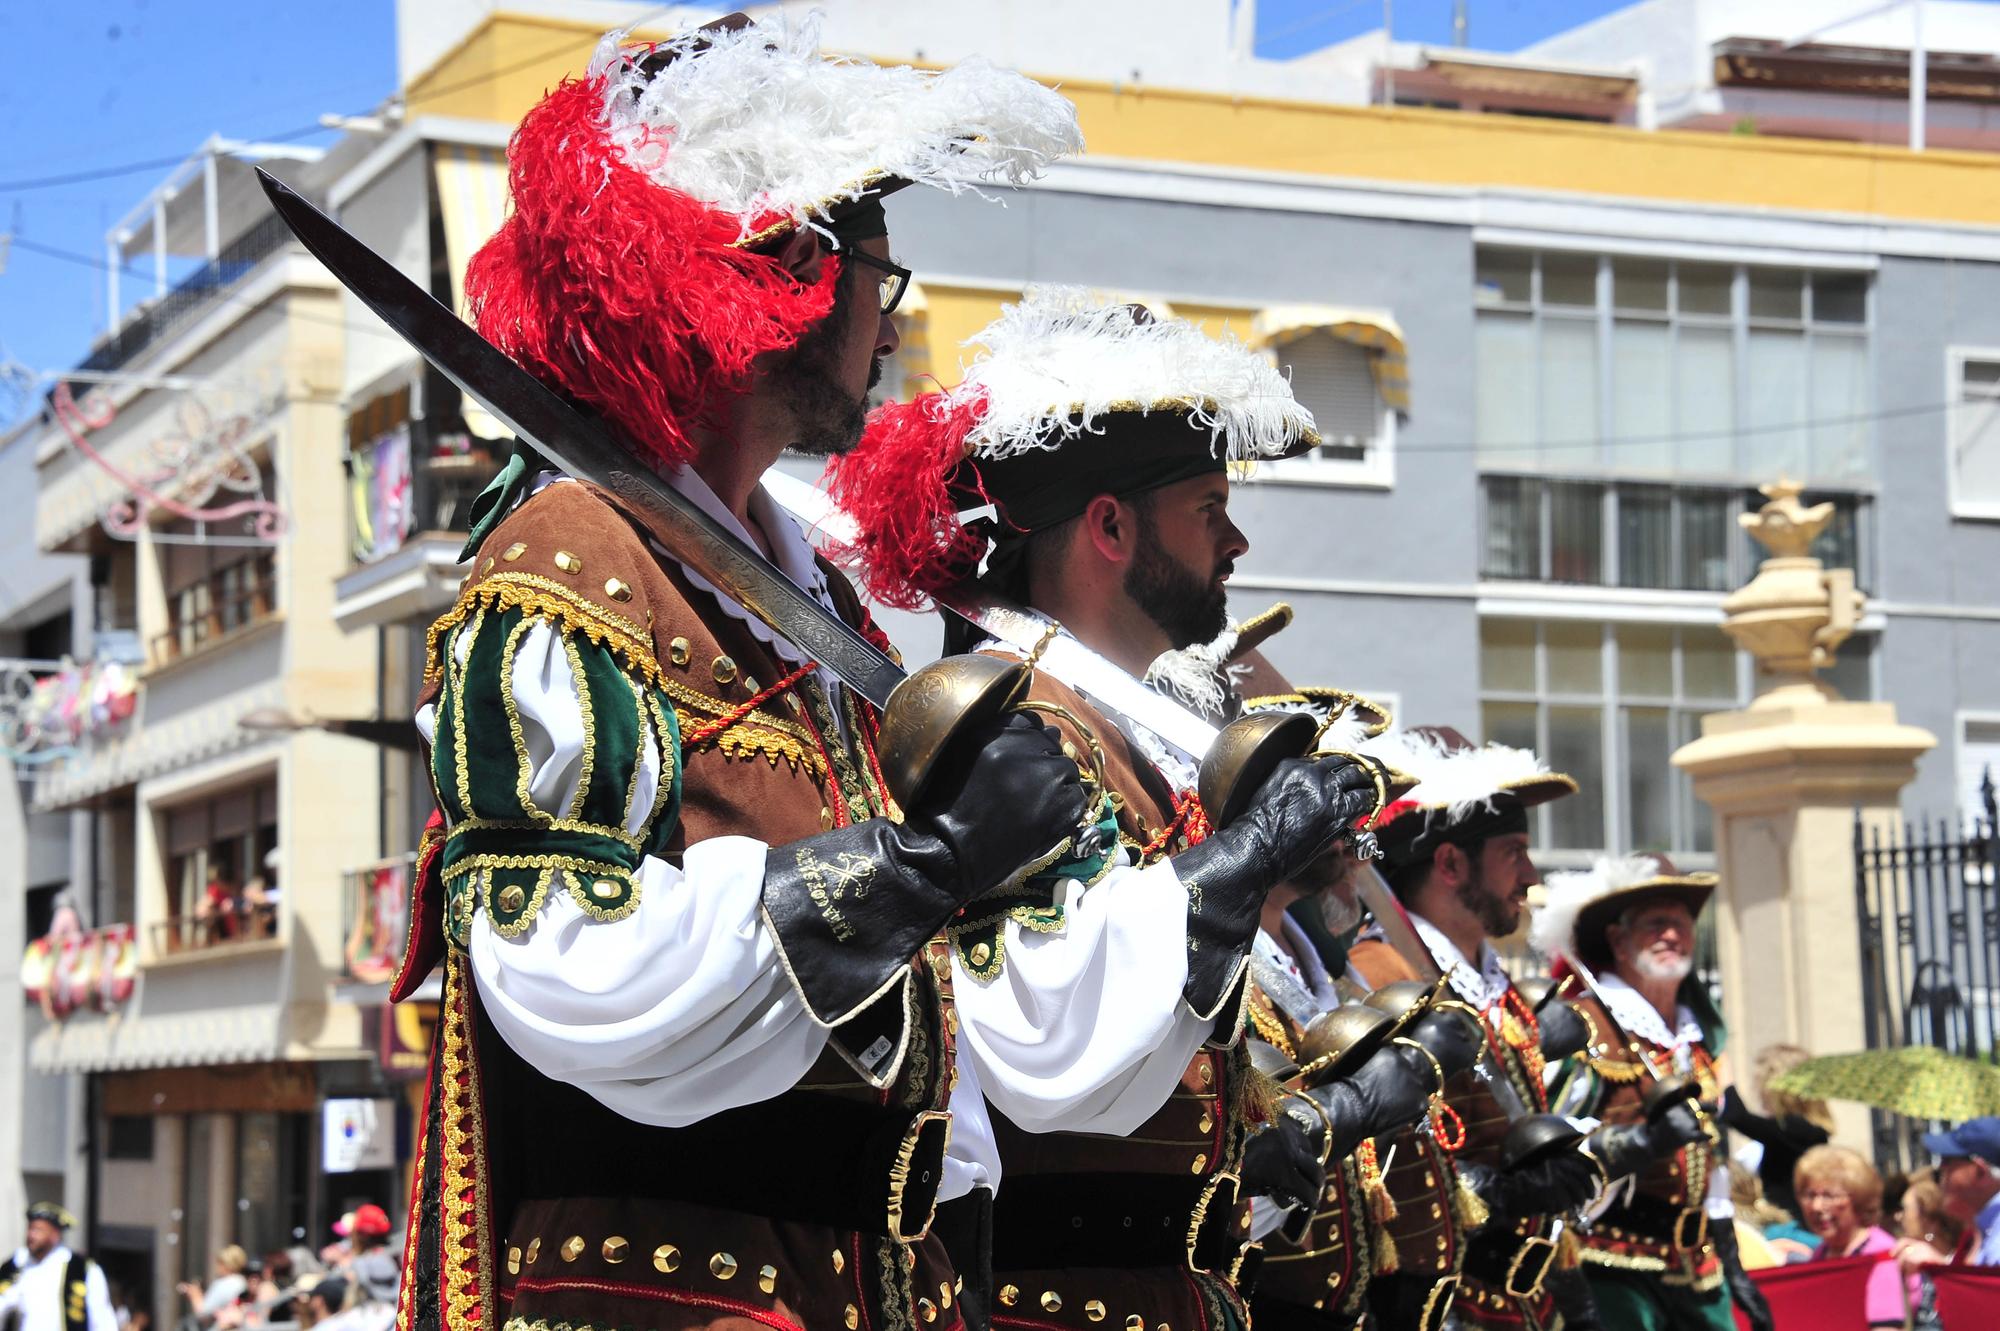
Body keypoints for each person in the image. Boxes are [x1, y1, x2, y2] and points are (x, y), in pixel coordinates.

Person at [393, 14, 1095, 1331]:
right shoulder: (570, 557)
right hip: (671, 1288)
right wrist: (920, 865)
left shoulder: (817, 598)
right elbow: (558, 964)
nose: (889, 330)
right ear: (783, 271)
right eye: (878, 283)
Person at [827, 291, 1398, 1329]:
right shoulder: (1002, 720)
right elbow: (1027, 1037)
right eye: (1207, 508)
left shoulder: (1115, 729)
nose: (1233, 541)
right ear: (1107, 525)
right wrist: (1253, 853)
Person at [1533, 855, 1773, 1331]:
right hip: (1611, 1268)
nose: (1671, 935)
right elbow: (1551, 1147)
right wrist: (1641, 1143)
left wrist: (1732, 1259)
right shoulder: (1588, 1025)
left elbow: (1714, 1161)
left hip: (1698, 1273)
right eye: (1655, 924)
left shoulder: (1694, 1036)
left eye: (1680, 924)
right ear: (1619, 941)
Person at [1793, 1144, 1907, 1327]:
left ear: (1859, 1199)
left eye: (1829, 1196)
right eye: (1809, 1195)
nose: (1816, 1206)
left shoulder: (1881, 1254)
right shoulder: (1821, 1253)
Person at [1718, 1043, 1833, 1219]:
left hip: (1793, 1229)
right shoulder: (1807, 1129)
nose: (1758, 1092)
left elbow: (1737, 1117)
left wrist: (1724, 1075)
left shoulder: (1797, 1129)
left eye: (1761, 1084)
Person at [1895, 1116, 2000, 1271]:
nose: (1940, 1169)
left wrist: (1939, 1267)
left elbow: (1988, 1292)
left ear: (1980, 1172)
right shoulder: (1981, 1229)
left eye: (1947, 1161)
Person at [0, 1204, 118, 1331]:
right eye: (30, 1229)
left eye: (38, 1230)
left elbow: (102, 1320)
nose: (31, 1235)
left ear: (54, 1234)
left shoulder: (82, 1270)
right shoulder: (17, 1264)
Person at [1895, 1176, 1962, 1331]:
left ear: (1929, 1220)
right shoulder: (1907, 1260)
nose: (1899, 1216)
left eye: (1905, 1210)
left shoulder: (1965, 1260)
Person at [176, 1247, 248, 1329]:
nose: (217, 1266)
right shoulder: (242, 1281)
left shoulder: (225, 1283)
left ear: (227, 1264)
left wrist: (194, 1293)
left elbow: (203, 1312)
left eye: (220, 1263)